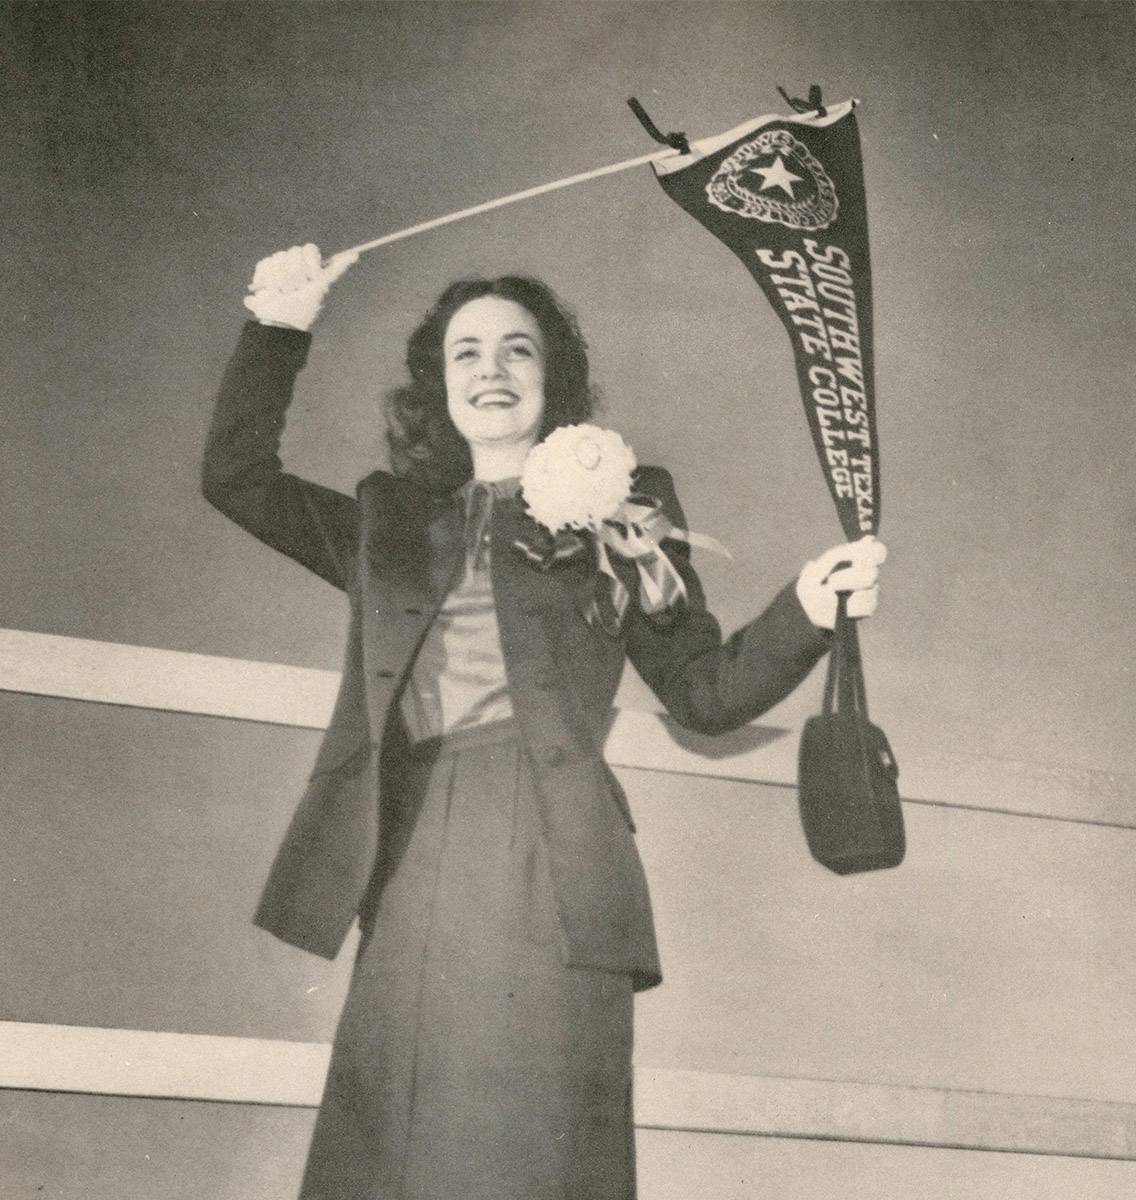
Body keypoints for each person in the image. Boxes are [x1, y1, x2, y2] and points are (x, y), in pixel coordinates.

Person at [202, 244, 886, 1200]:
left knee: (539, 1156)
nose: (491, 371)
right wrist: (280, 327)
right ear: (436, 387)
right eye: (466, 353)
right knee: (393, 1151)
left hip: (557, 865)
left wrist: (806, 608)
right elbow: (235, 477)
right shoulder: (383, 521)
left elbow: (705, 692)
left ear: (553, 376)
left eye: (517, 350)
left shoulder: (627, 511)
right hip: (403, 856)